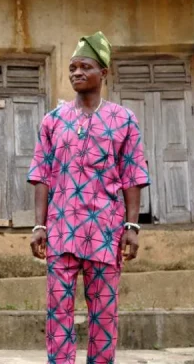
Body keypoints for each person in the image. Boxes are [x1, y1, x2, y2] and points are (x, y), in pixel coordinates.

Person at [27, 31, 150, 364]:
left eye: (85, 67)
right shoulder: (53, 121)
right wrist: (38, 225)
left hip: (105, 232)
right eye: (72, 68)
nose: (77, 73)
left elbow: (133, 176)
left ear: (103, 73)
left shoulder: (124, 120)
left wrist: (132, 227)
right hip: (61, 231)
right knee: (57, 314)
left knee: (104, 316)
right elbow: (42, 175)